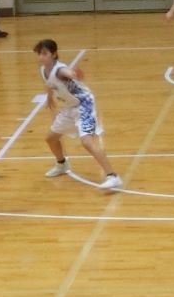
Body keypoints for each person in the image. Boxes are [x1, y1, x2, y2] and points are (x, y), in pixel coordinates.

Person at [35, 39, 123, 190]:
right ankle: (62, 164)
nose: (41, 57)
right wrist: (49, 98)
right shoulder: (44, 70)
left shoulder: (60, 70)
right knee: (51, 138)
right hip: (70, 107)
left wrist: (74, 74)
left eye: (44, 54)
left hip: (84, 105)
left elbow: (67, 73)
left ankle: (113, 176)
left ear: (54, 54)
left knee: (87, 142)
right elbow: (49, 83)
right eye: (39, 54)